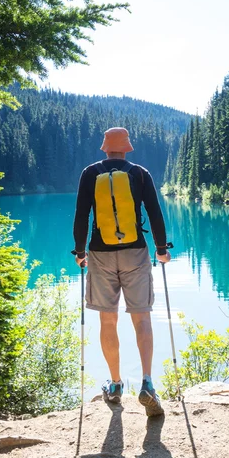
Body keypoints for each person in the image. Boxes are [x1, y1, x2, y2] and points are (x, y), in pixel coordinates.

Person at [72, 127, 171, 416]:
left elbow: (81, 215)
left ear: (105, 148)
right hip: (135, 252)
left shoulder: (90, 173)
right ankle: (148, 383)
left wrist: (80, 252)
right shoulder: (140, 173)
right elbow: (155, 213)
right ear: (127, 148)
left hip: (100, 254)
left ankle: (115, 385)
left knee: (108, 321)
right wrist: (161, 248)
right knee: (141, 319)